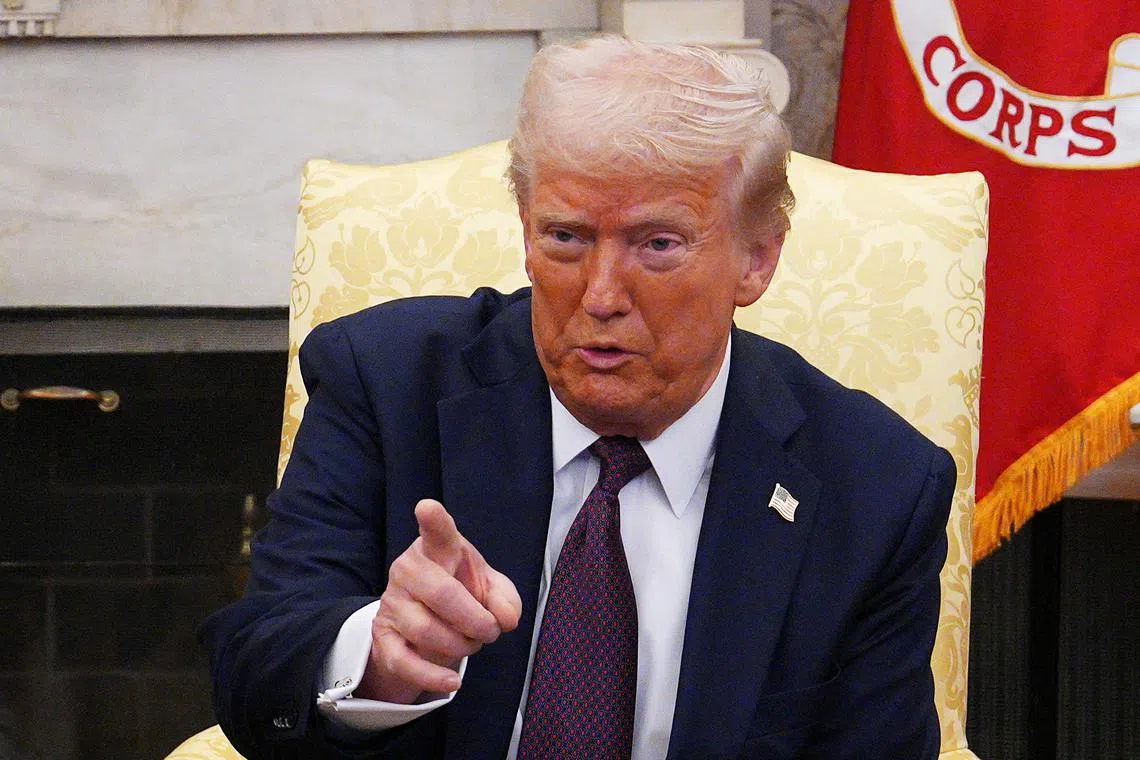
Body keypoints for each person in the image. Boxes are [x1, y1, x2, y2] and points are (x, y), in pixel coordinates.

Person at [201, 36, 955, 759]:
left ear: (756, 259)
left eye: (657, 244)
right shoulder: (388, 381)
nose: (599, 296)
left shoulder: (877, 486)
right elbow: (256, 669)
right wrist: (379, 656)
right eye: (565, 238)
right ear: (524, 229)